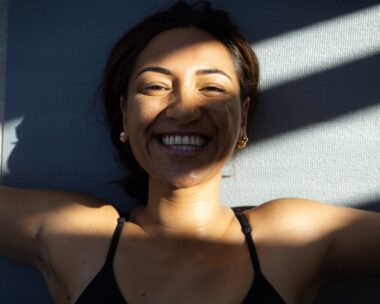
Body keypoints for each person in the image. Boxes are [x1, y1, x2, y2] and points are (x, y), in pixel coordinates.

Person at [0, 1, 379, 303]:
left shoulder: (292, 236)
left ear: (242, 117)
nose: (184, 110)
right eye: (155, 87)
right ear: (124, 115)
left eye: (212, 88)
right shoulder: (73, 234)